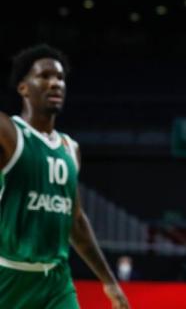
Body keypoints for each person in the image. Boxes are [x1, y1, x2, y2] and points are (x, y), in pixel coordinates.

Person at [0, 44, 130, 309]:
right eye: (44, 76)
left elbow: (77, 222)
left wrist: (109, 281)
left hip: (56, 282)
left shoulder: (71, 149)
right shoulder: (9, 133)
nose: (55, 83)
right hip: (9, 277)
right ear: (23, 88)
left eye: (60, 78)